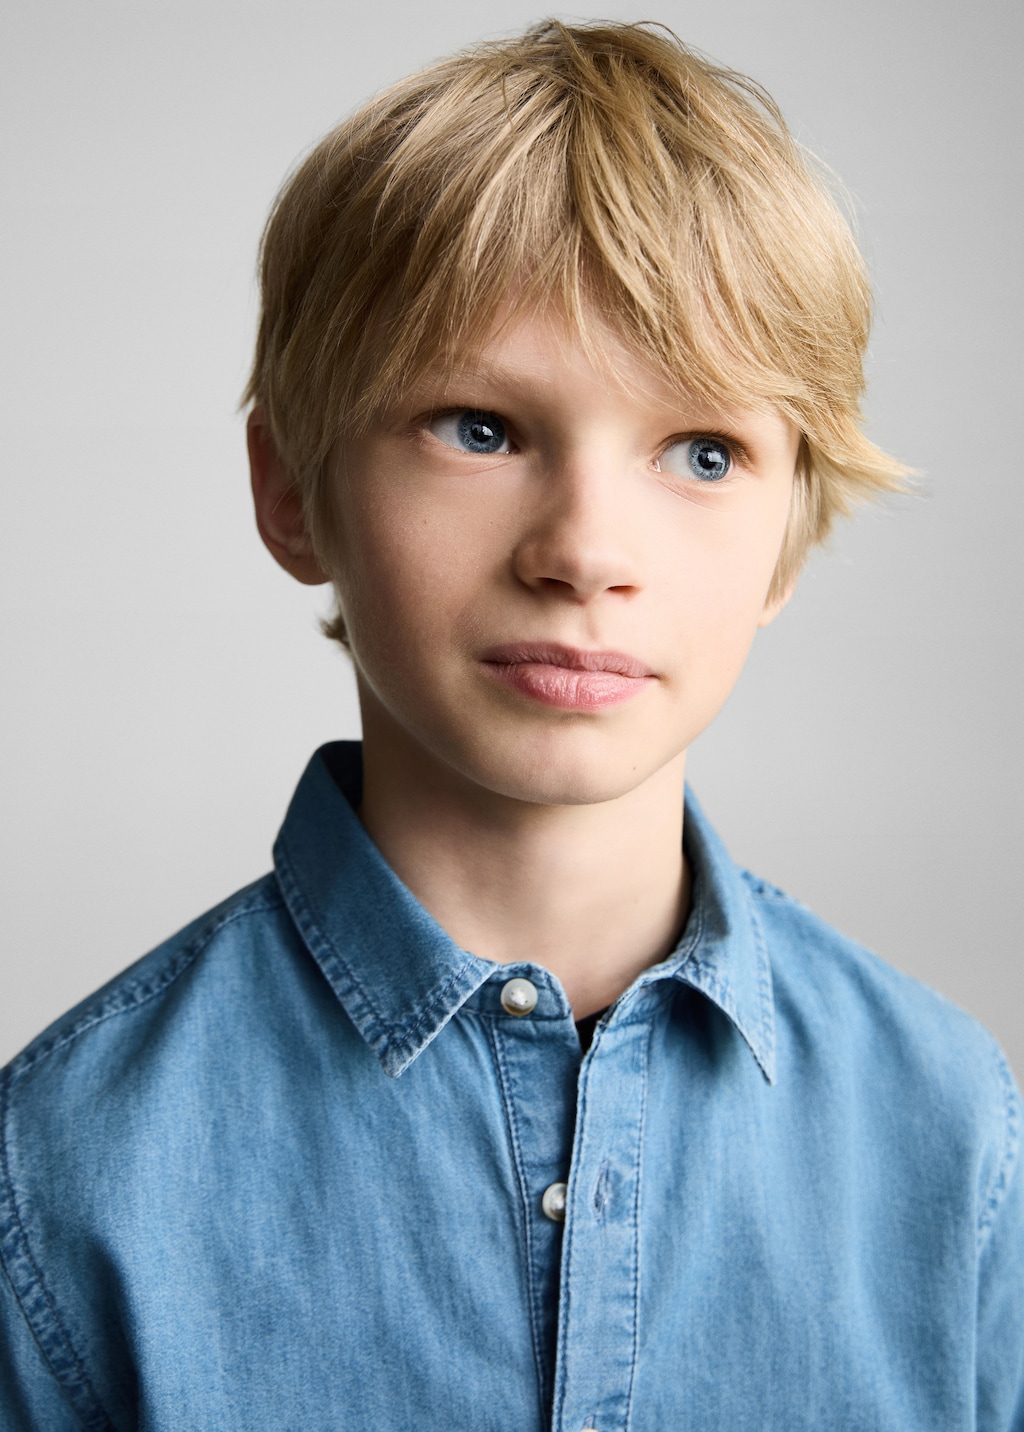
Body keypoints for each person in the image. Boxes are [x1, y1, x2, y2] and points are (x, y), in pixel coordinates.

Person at [1, 19, 1020, 1429]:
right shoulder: (60, 1172)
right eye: (480, 428)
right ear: (294, 489)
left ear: (789, 541)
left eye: (704, 453)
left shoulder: (952, 1127)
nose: (585, 550)